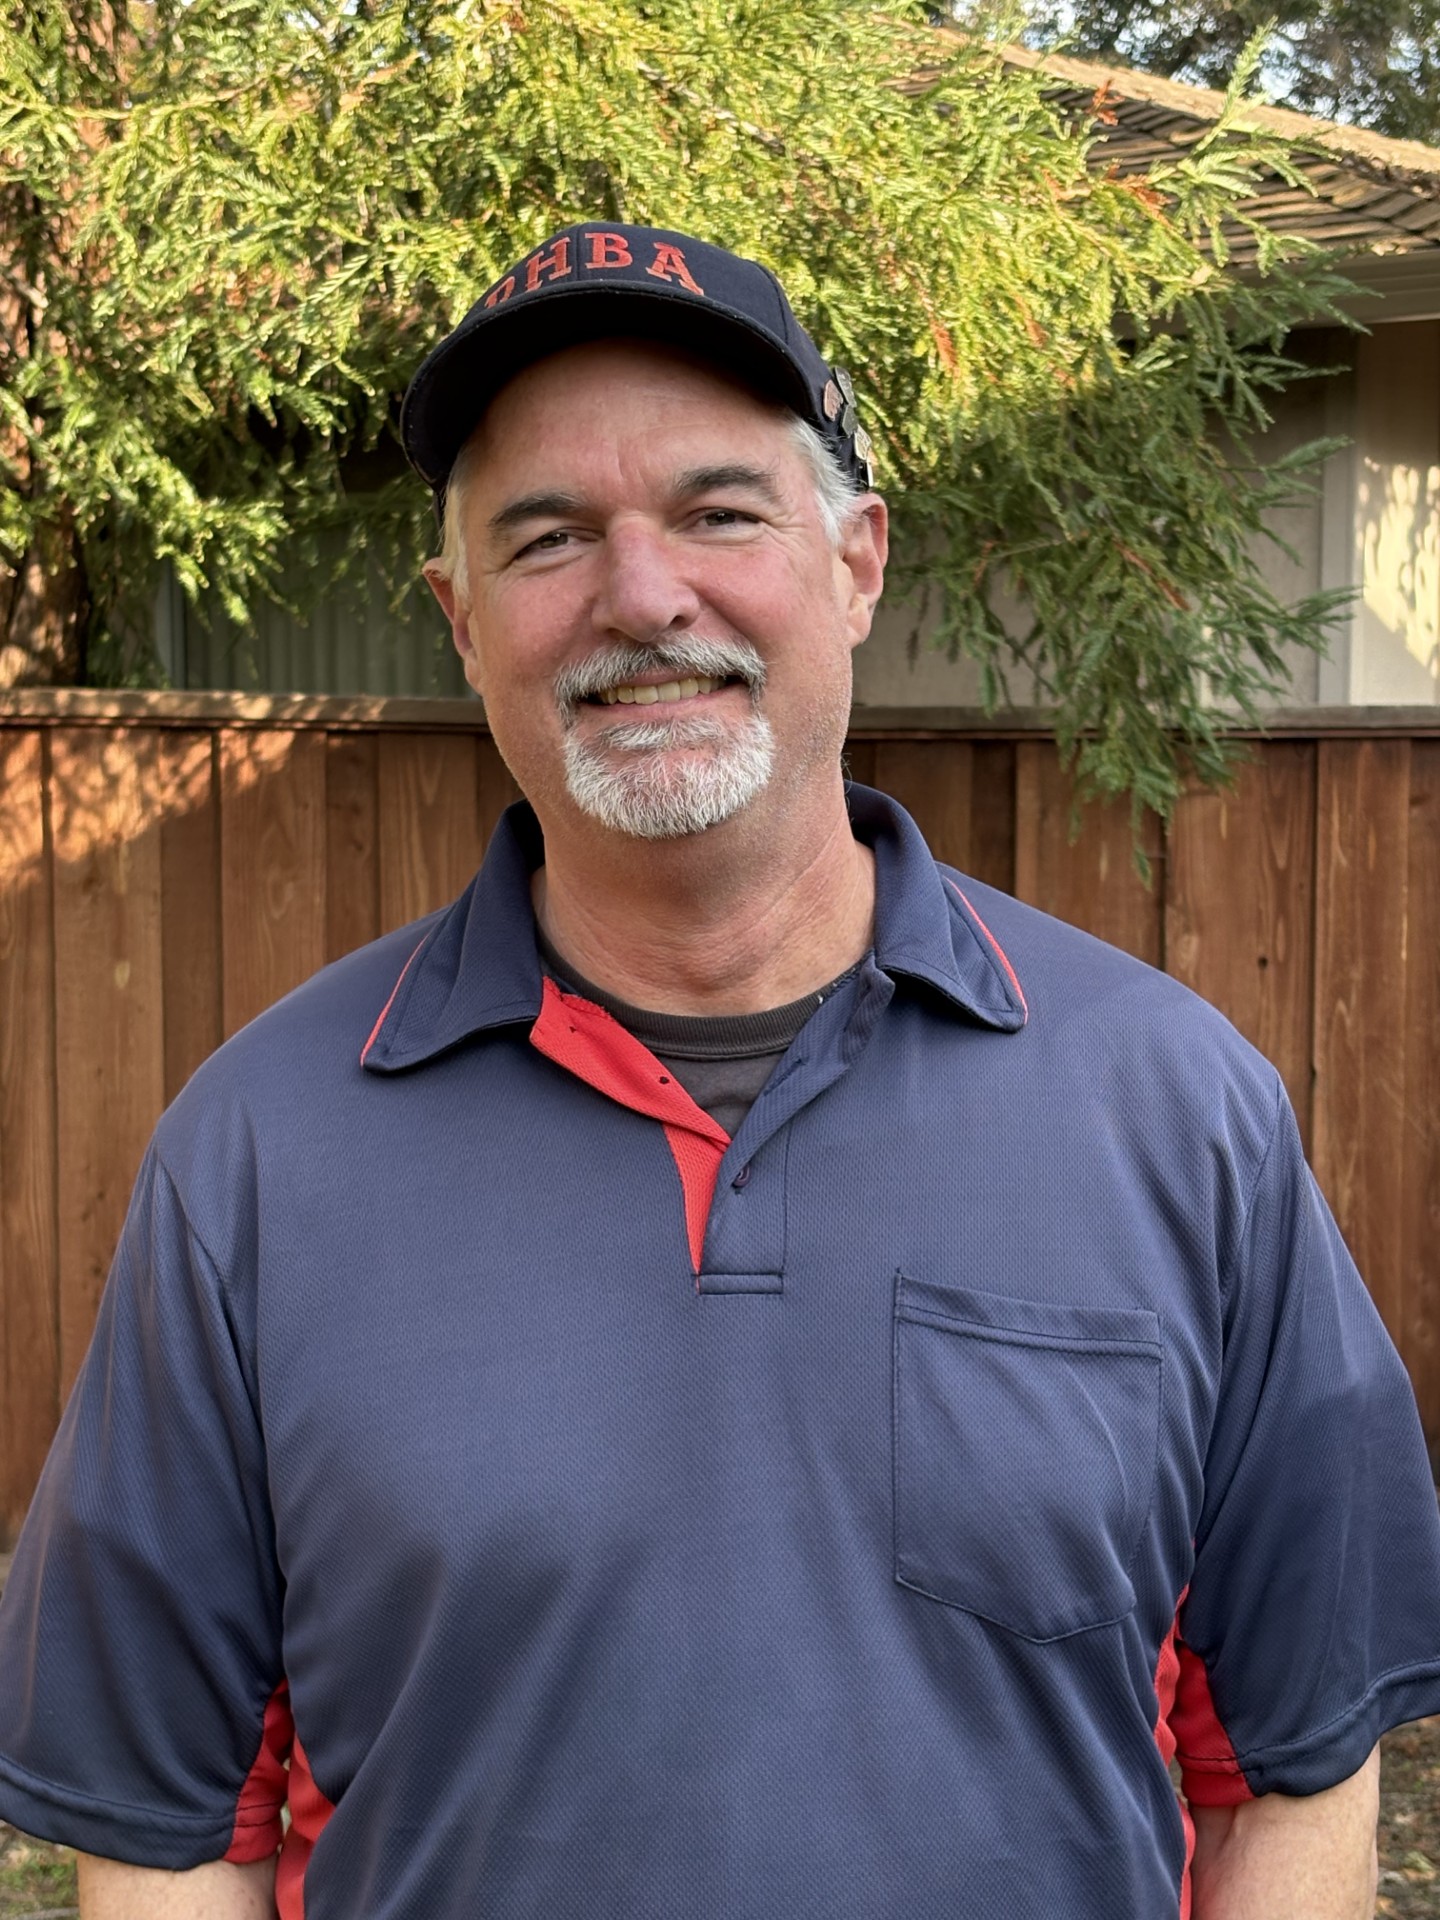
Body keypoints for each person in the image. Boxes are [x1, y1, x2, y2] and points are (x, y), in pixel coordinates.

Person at [0, 222, 1437, 1920]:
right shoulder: (256, 1155)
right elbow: (172, 1826)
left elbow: (1287, 1771)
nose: (641, 594)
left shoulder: (1177, 1114)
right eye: (548, 536)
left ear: (857, 561)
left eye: (720, 512)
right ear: (461, 619)